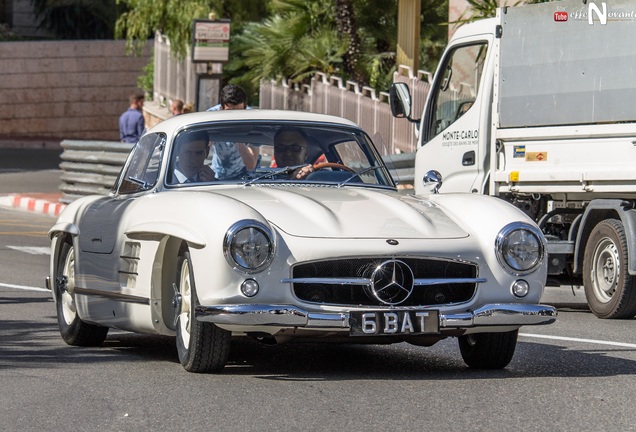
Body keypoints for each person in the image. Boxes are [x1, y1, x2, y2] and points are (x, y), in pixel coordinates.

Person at [207, 84, 260, 179]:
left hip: (246, 178)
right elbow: (201, 154)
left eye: (239, 112)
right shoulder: (211, 118)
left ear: (245, 108)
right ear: (221, 109)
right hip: (219, 175)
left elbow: (251, 165)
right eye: (229, 112)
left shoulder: (253, 120)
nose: (235, 117)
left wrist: (238, 137)